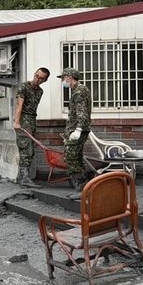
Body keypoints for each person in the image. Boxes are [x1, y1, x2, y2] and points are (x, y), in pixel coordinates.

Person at [58, 67, 92, 198]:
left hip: (77, 129)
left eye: (63, 78)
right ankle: (83, 188)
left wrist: (77, 130)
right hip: (78, 128)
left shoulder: (78, 91)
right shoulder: (80, 90)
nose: (62, 81)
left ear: (70, 78)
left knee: (71, 157)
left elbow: (81, 111)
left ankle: (81, 188)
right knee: (76, 157)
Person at [13, 67, 50, 187]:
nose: (37, 79)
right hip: (24, 120)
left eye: (41, 78)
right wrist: (17, 122)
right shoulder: (24, 87)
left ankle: (22, 177)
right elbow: (19, 104)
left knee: (31, 149)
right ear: (34, 74)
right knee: (26, 149)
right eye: (36, 76)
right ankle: (24, 178)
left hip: (32, 120)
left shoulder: (40, 91)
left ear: (45, 80)